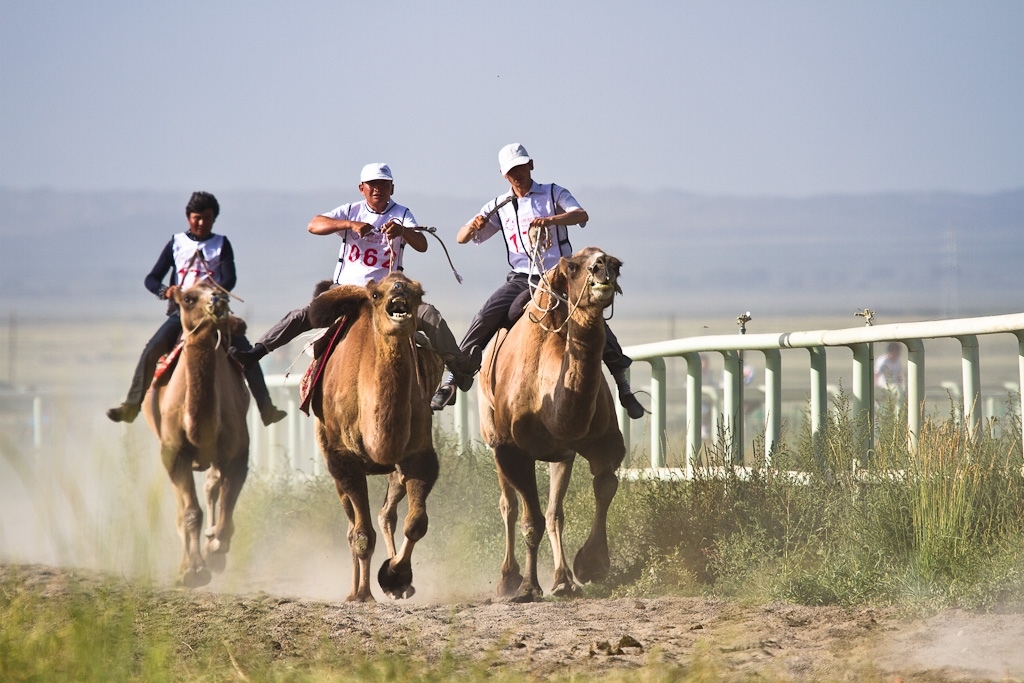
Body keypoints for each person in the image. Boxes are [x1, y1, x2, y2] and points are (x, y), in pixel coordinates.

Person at [429, 143, 645, 419]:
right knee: (487, 314)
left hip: (563, 277)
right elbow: (461, 238)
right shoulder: (499, 206)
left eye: (520, 167)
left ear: (530, 165)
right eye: (511, 171)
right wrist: (474, 226)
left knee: (591, 319)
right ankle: (451, 379)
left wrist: (552, 219)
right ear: (503, 175)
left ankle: (623, 385)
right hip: (522, 278)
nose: (517, 174)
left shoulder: (554, 192)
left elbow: (581, 215)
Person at [230, 164, 477, 392]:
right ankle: (255, 353)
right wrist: (349, 225)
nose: (378, 189)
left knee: (428, 314)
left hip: (386, 293)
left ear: (392, 188)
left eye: (383, 184)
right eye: (372, 185)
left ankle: (458, 368)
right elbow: (313, 225)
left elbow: (422, 244)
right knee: (303, 315)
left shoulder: (402, 213)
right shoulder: (350, 210)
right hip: (347, 290)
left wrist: (402, 231)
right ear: (362, 188)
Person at [106, 191, 287, 426]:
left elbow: (229, 278)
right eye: (196, 218)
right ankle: (131, 406)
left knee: (246, 352)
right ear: (188, 217)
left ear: (214, 219)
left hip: (214, 312)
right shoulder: (176, 243)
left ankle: (266, 409)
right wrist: (165, 291)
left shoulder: (221, 244)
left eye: (206, 218)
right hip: (182, 313)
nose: (201, 223)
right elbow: (151, 279)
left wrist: (208, 291)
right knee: (152, 348)